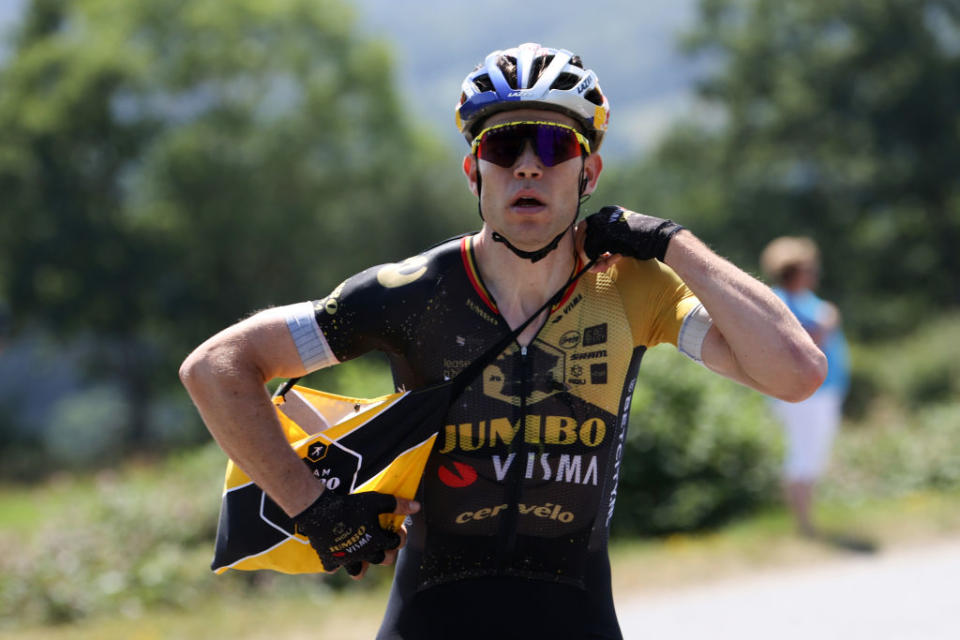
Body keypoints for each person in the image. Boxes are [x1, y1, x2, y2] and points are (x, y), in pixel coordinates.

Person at [180, 43, 826, 640]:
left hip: (576, 615)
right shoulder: (409, 292)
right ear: (473, 172)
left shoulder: (637, 288)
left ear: (589, 170)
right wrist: (312, 506)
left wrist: (673, 243)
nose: (527, 165)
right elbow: (218, 366)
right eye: (505, 145)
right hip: (430, 618)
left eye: (552, 145)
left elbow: (795, 373)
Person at [761, 236, 850, 538]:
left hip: (823, 391)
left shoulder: (806, 298)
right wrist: (826, 325)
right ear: (794, 270)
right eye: (808, 268)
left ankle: (806, 520)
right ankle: (803, 523)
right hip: (802, 393)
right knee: (803, 453)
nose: (814, 273)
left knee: (814, 454)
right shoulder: (779, 300)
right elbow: (798, 345)